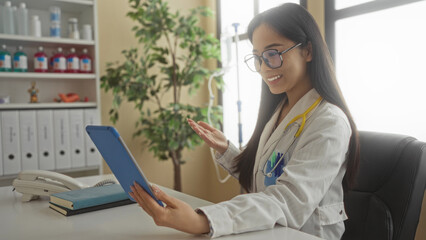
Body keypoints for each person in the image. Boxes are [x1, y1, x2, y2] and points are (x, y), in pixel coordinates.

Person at [129, 3, 360, 239]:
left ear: (308, 51)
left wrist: (203, 220)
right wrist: (227, 150)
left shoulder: (329, 122)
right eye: (258, 58)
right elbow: (266, 178)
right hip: (272, 231)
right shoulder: (280, 111)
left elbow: (287, 201)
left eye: (273, 54)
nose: (263, 68)